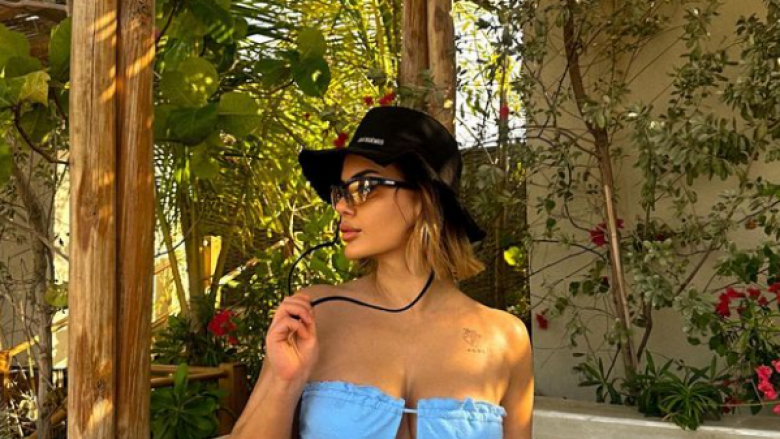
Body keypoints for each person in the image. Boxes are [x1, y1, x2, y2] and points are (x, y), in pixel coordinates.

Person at [230, 106, 533, 439]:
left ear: (423, 199)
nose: (341, 206)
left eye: (365, 187)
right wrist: (284, 382)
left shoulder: (506, 339)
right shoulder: (313, 316)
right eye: (341, 191)